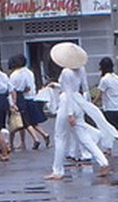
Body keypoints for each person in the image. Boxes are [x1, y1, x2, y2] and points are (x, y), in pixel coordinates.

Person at [45, 42, 110, 180]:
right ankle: (103, 161)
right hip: (78, 101)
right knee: (83, 136)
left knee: (60, 137)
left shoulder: (66, 72)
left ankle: (58, 170)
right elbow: (82, 87)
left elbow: (67, 92)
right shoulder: (80, 69)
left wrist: (69, 114)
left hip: (67, 104)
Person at [9, 54, 50, 151]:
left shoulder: (14, 75)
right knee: (33, 122)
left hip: (22, 99)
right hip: (32, 98)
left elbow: (13, 89)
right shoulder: (29, 72)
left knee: (23, 122)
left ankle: (35, 139)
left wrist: (12, 102)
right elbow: (29, 87)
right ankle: (42, 135)